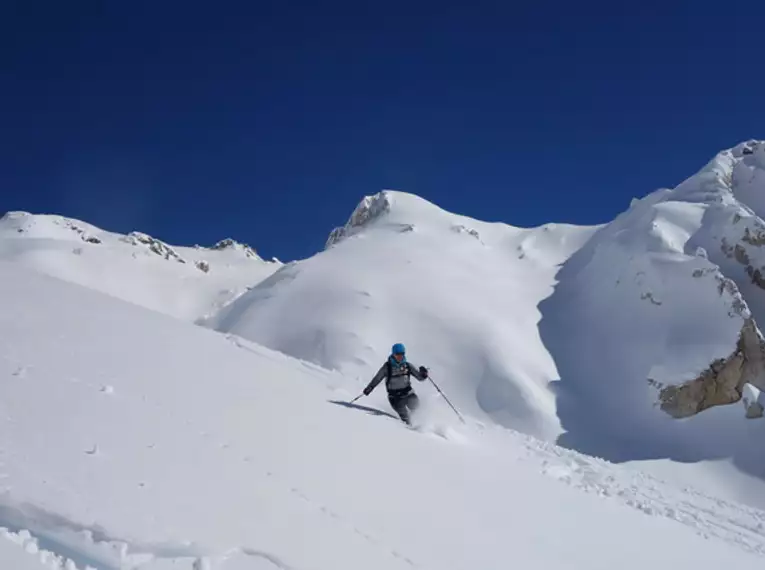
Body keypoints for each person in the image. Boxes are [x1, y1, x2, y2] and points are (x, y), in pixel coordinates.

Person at [363, 343, 429, 424]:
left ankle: (426, 428)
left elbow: (420, 378)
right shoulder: (387, 367)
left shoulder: (407, 366)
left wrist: (424, 374)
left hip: (408, 393)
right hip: (395, 397)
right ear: (393, 354)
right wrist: (369, 388)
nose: (400, 356)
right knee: (406, 418)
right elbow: (377, 378)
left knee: (418, 410)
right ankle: (413, 432)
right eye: (397, 354)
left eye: (402, 354)